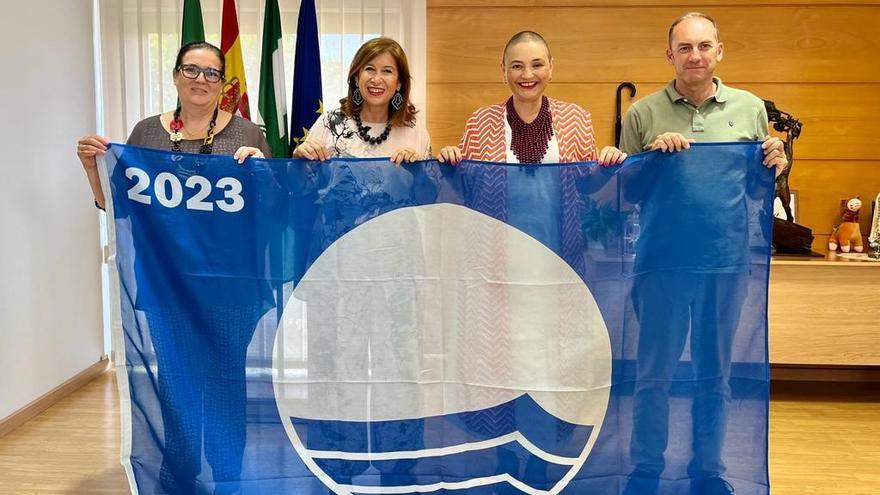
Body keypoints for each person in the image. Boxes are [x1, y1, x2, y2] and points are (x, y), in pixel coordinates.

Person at [75, 41, 271, 494]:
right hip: (167, 284)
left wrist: (264, 172)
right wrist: (91, 168)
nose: (201, 79)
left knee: (225, 383)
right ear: (176, 75)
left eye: (211, 73)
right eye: (192, 70)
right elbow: (119, 207)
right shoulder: (146, 133)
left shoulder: (249, 135)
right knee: (176, 383)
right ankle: (179, 475)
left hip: (229, 288)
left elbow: (269, 210)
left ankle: (228, 477)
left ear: (224, 83)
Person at [619, 13, 786, 495]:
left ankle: (708, 470)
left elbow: (756, 187)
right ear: (669, 54)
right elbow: (626, 191)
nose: (695, 56)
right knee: (653, 377)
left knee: (716, 377)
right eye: (685, 47)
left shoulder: (751, 109)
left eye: (704, 46)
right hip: (661, 264)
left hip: (725, 264)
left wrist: (777, 161)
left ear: (719, 51)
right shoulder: (642, 114)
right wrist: (653, 156)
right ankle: (645, 470)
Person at [437, 31, 624, 166]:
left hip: (563, 222)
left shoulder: (576, 119)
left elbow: (590, 187)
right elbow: (464, 186)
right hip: (495, 222)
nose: (527, 75)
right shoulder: (480, 122)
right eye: (517, 66)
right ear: (503, 70)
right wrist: (449, 159)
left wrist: (609, 159)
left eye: (537, 65)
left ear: (551, 67)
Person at [293, 37, 430, 165]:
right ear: (357, 78)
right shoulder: (329, 122)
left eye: (387, 71)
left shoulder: (415, 131)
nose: (376, 79)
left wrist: (417, 171)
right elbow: (301, 182)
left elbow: (429, 187)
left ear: (399, 83)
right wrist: (298, 158)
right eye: (370, 69)